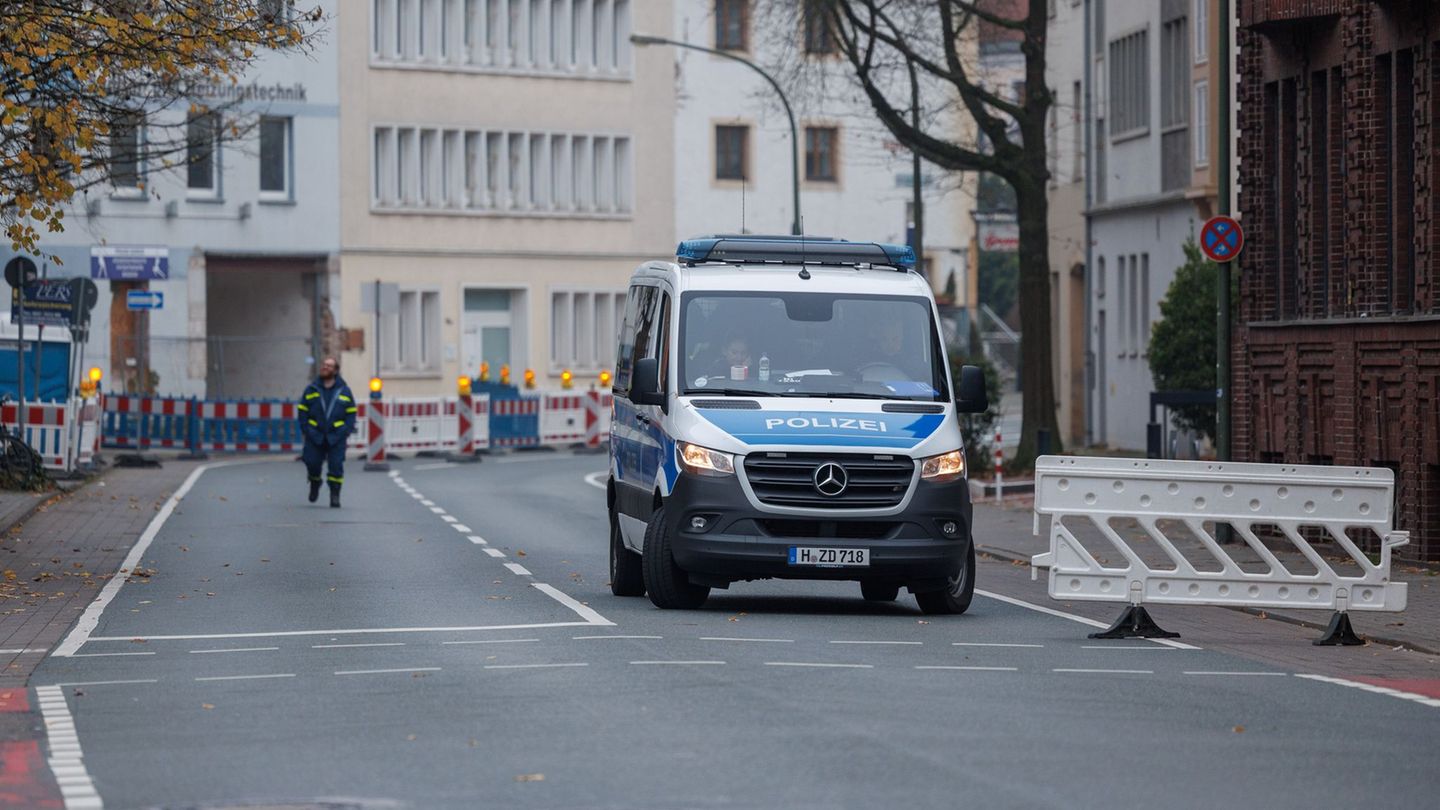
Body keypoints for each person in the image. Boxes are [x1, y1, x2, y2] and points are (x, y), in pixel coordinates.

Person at [297, 356, 357, 507]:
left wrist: (345, 430)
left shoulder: (344, 391)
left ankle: (335, 494)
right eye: (324, 365)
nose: (325, 367)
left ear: (336, 371)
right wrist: (306, 429)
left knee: (336, 466)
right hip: (315, 435)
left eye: (329, 366)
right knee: (312, 462)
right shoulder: (311, 389)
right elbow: (302, 410)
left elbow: (351, 413)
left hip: (336, 436)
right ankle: (315, 482)